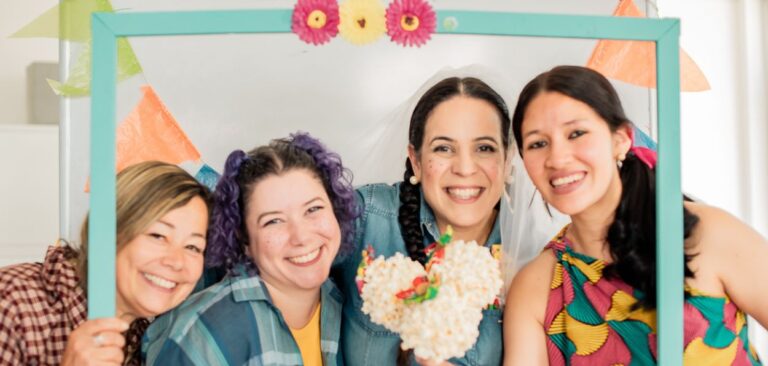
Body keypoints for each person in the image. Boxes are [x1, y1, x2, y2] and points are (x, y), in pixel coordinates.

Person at [503, 65, 768, 365]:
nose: (557, 158)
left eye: (576, 133)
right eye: (538, 143)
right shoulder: (535, 286)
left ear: (621, 140)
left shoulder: (706, 233)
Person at [334, 75, 517, 366]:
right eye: (443, 148)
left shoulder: (529, 256)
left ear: (508, 160)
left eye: (484, 148)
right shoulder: (367, 217)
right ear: (415, 161)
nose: (465, 168)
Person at [143, 133, 358, 365]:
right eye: (273, 221)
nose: (301, 236)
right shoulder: (204, 334)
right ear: (244, 240)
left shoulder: (344, 304)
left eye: (313, 209)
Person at [0, 161, 211, 366]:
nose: (175, 262)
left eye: (193, 247)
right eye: (158, 235)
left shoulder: (148, 342)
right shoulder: (11, 300)